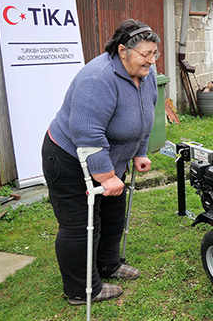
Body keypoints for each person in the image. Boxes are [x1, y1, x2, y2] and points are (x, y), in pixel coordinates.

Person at [41, 19, 160, 305]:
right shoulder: (98, 79)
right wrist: (106, 177)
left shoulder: (147, 73)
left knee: (114, 213)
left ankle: (109, 264)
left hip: (110, 158)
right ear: (122, 51)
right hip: (70, 158)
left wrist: (140, 151)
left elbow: (146, 116)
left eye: (155, 53)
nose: (152, 61)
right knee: (80, 224)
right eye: (146, 54)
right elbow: (87, 133)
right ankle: (82, 290)